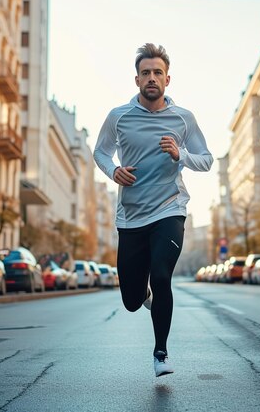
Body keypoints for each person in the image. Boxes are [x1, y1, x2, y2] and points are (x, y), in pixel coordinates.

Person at [93, 43, 213, 377]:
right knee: (132, 300)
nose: (151, 78)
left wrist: (181, 155)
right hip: (131, 217)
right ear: (136, 80)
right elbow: (100, 152)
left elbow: (206, 159)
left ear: (167, 79)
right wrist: (113, 170)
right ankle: (142, 294)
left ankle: (161, 353)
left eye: (157, 72)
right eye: (145, 73)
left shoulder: (183, 118)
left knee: (162, 276)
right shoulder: (119, 116)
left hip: (169, 210)